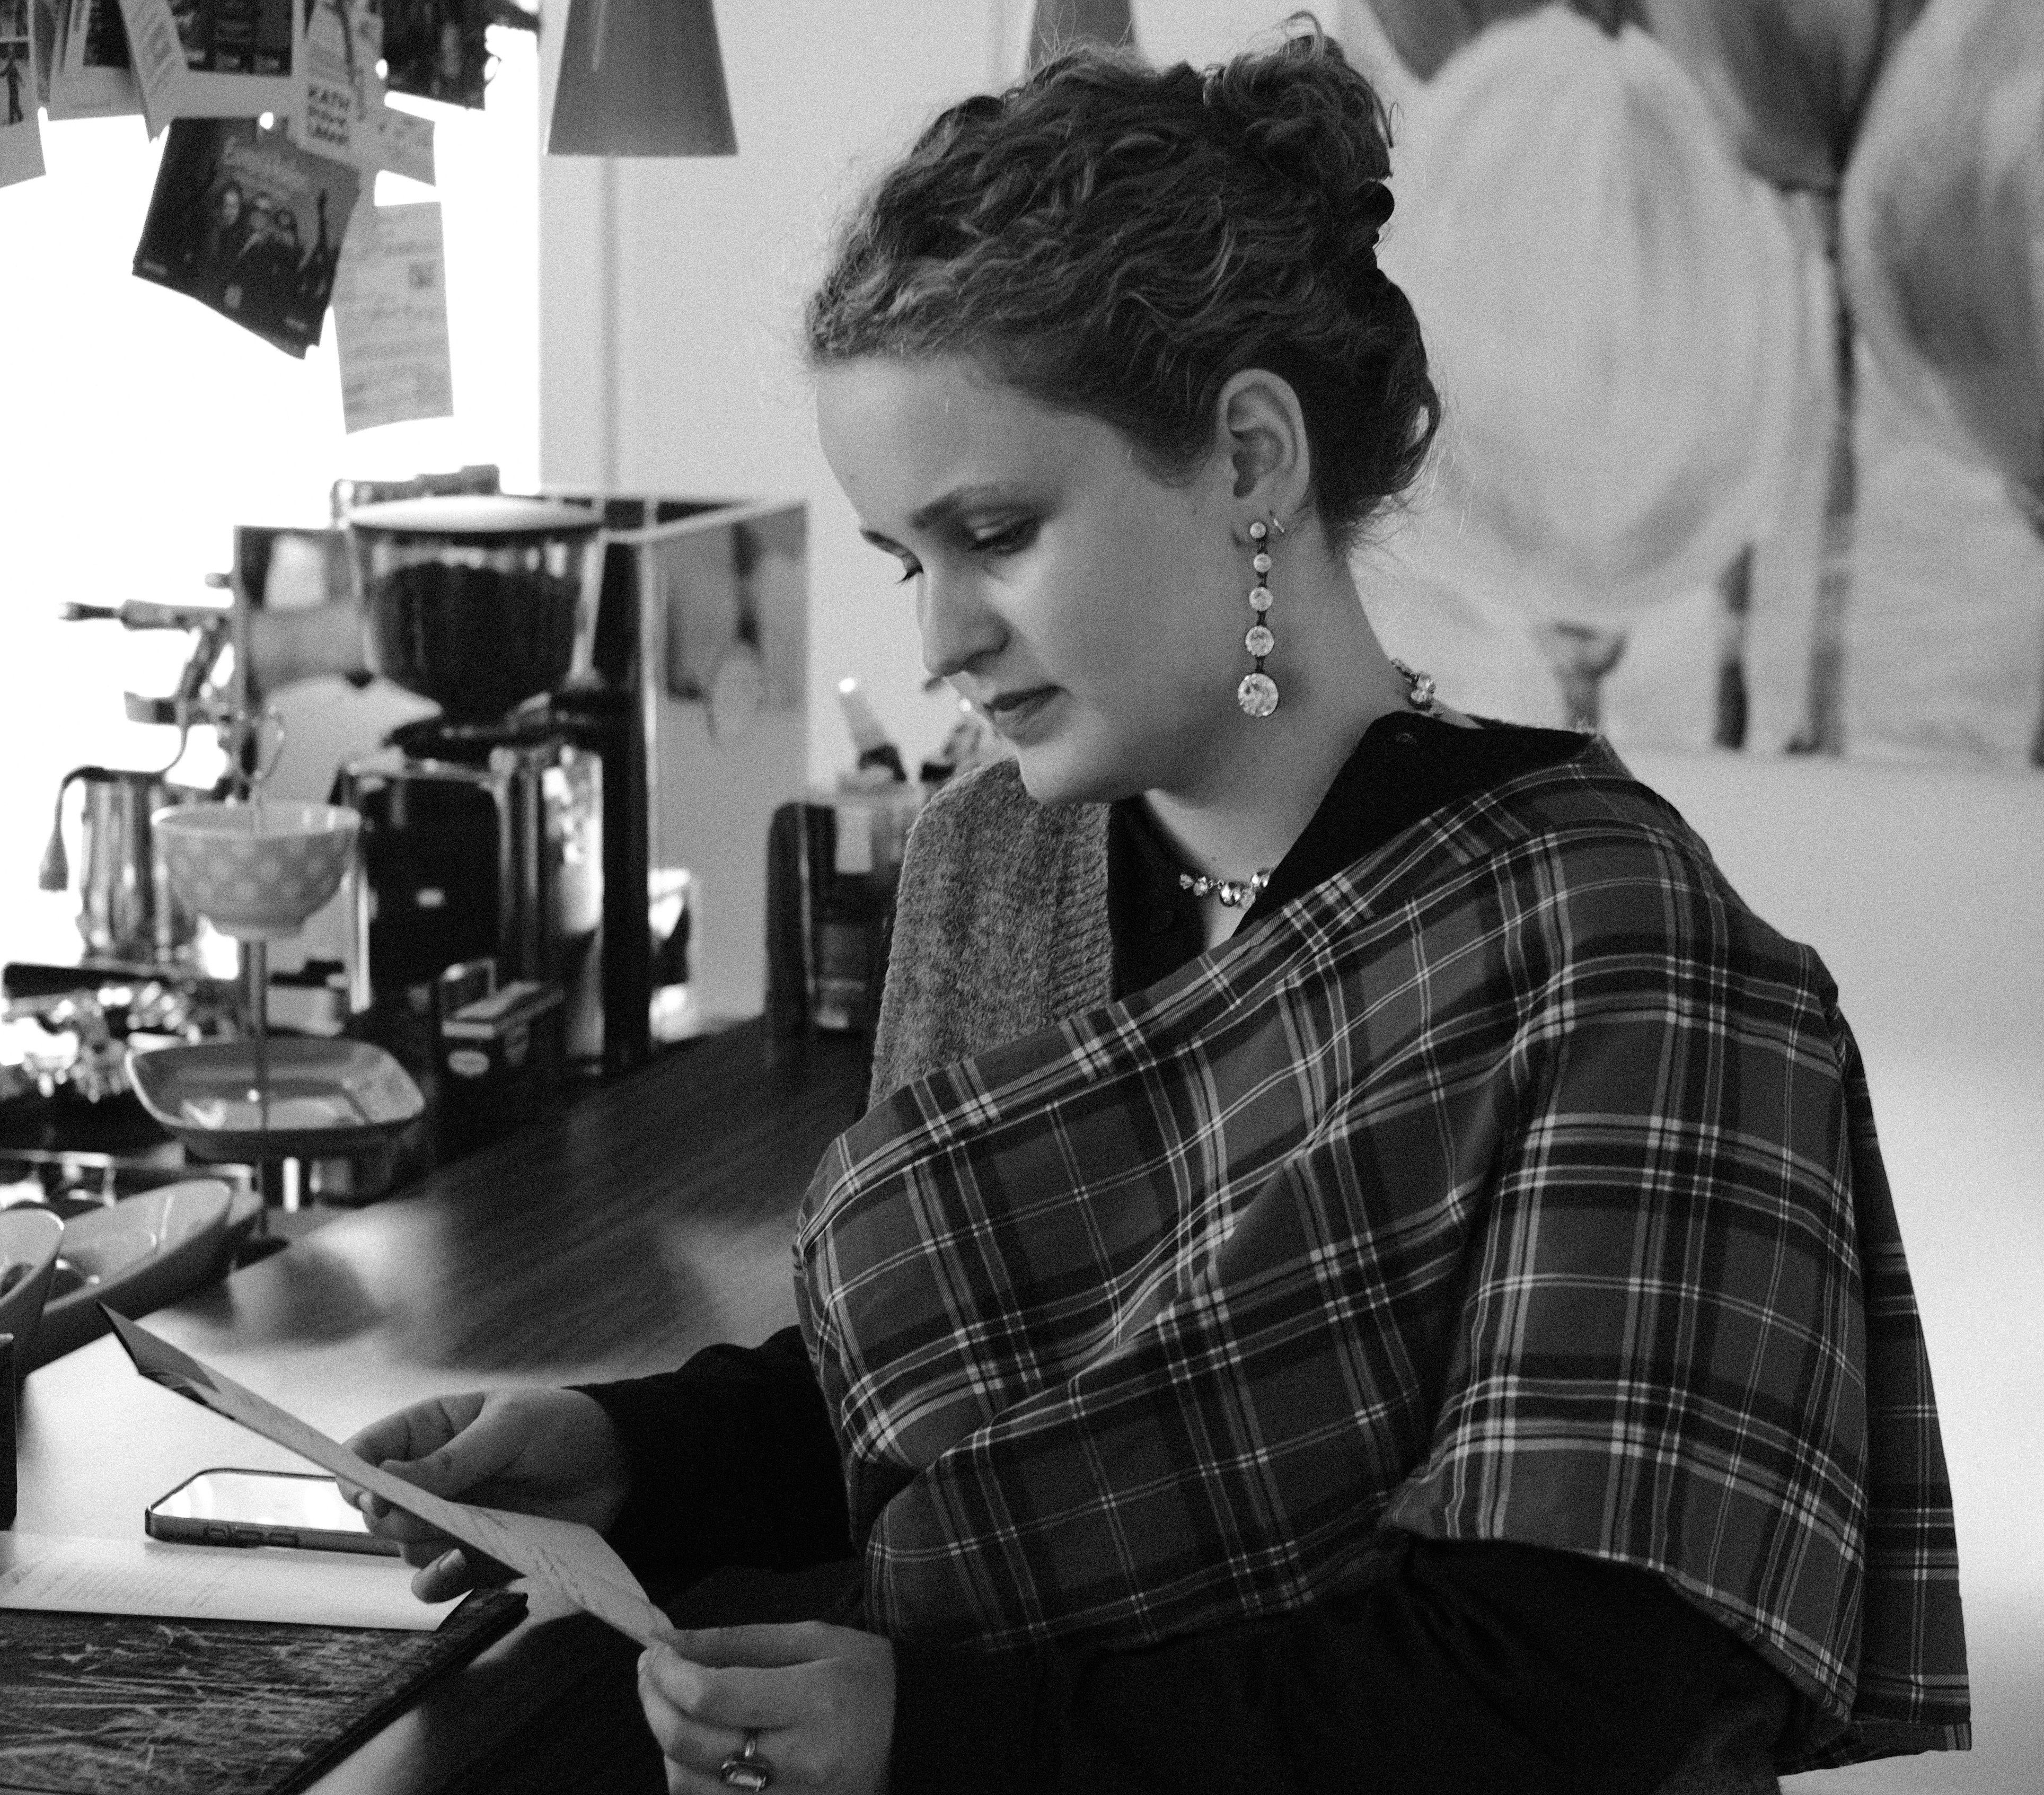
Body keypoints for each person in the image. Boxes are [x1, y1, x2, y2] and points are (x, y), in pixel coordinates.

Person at [345, 27, 1970, 1794]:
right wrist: (633, 1452)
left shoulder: (1621, 950)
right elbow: (944, 1388)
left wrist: (950, 1739)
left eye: (997, 533)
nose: (939, 636)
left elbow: (1567, 1685)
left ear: (1253, 455)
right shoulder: (988, 863)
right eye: (909, 560)